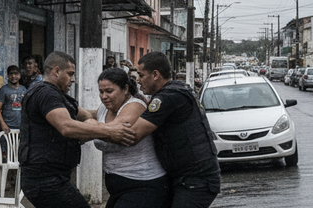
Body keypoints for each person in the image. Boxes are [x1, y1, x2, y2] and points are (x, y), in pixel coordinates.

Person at [18, 51, 136, 208]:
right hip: (45, 179)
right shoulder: (46, 94)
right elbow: (66, 127)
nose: (73, 79)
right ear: (56, 71)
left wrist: (117, 112)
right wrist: (110, 131)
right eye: (70, 74)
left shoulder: (58, 96)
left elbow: (85, 114)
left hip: (53, 177)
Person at [129, 51, 220, 207]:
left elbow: (134, 135)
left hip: (195, 180)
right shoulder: (176, 90)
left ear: (155, 75)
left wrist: (97, 130)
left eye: (141, 75)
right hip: (186, 177)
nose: (138, 81)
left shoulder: (167, 97)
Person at [92, 68, 169, 208]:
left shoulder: (135, 106)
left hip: (143, 185)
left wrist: (88, 126)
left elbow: (114, 131)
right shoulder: (103, 109)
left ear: (125, 89)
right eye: (101, 92)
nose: (104, 96)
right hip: (118, 187)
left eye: (109, 91)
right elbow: (87, 118)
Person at [0, 65, 26, 161]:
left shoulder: (24, 90)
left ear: (20, 75)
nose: (13, 76)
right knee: (6, 157)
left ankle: (16, 176)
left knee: (19, 156)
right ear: (7, 76)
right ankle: (7, 176)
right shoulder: (3, 90)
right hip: (8, 127)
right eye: (11, 74)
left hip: (21, 127)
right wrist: (3, 125)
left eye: (16, 74)